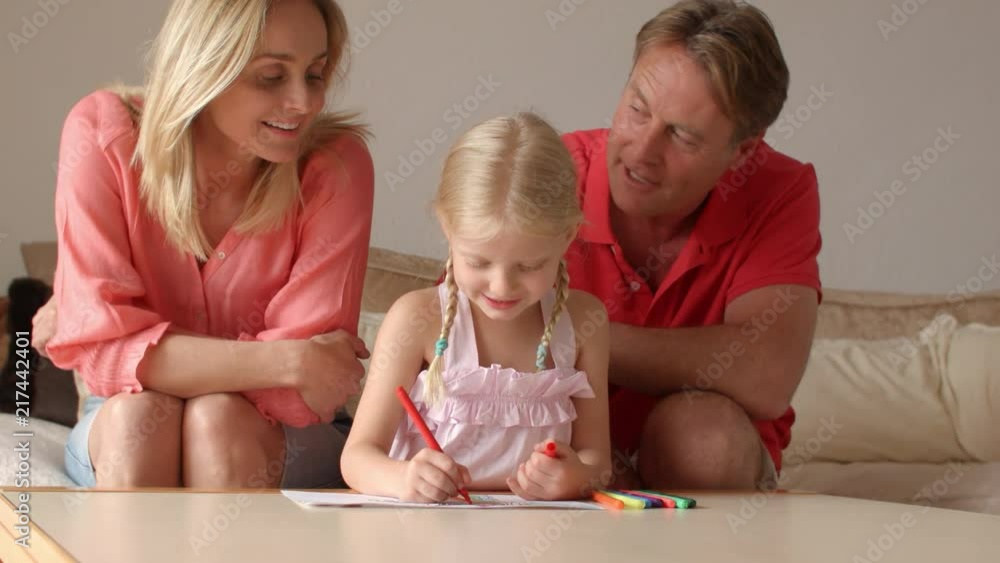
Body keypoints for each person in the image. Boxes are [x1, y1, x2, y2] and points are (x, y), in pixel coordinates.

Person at [31, 0, 374, 489]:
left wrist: (135, 347)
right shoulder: (103, 133)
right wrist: (286, 360)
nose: (305, 101)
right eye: (272, 76)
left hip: (282, 435)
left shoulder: (336, 165)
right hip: (122, 415)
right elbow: (100, 356)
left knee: (217, 423)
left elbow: (306, 394)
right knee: (138, 422)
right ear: (202, 68)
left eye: (315, 73)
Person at [562, 0, 822, 490]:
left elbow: (767, 376)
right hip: (562, 447)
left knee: (703, 438)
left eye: (681, 136)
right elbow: (463, 338)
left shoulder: (779, 189)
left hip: (707, 464)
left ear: (743, 150)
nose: (641, 152)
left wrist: (574, 337)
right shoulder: (550, 169)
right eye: (637, 109)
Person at [341, 113, 612, 502]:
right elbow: (357, 457)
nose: (502, 286)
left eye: (529, 265)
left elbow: (598, 460)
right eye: (479, 262)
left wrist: (576, 476)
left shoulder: (585, 321)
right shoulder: (417, 320)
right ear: (447, 228)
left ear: (567, 236)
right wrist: (404, 479)